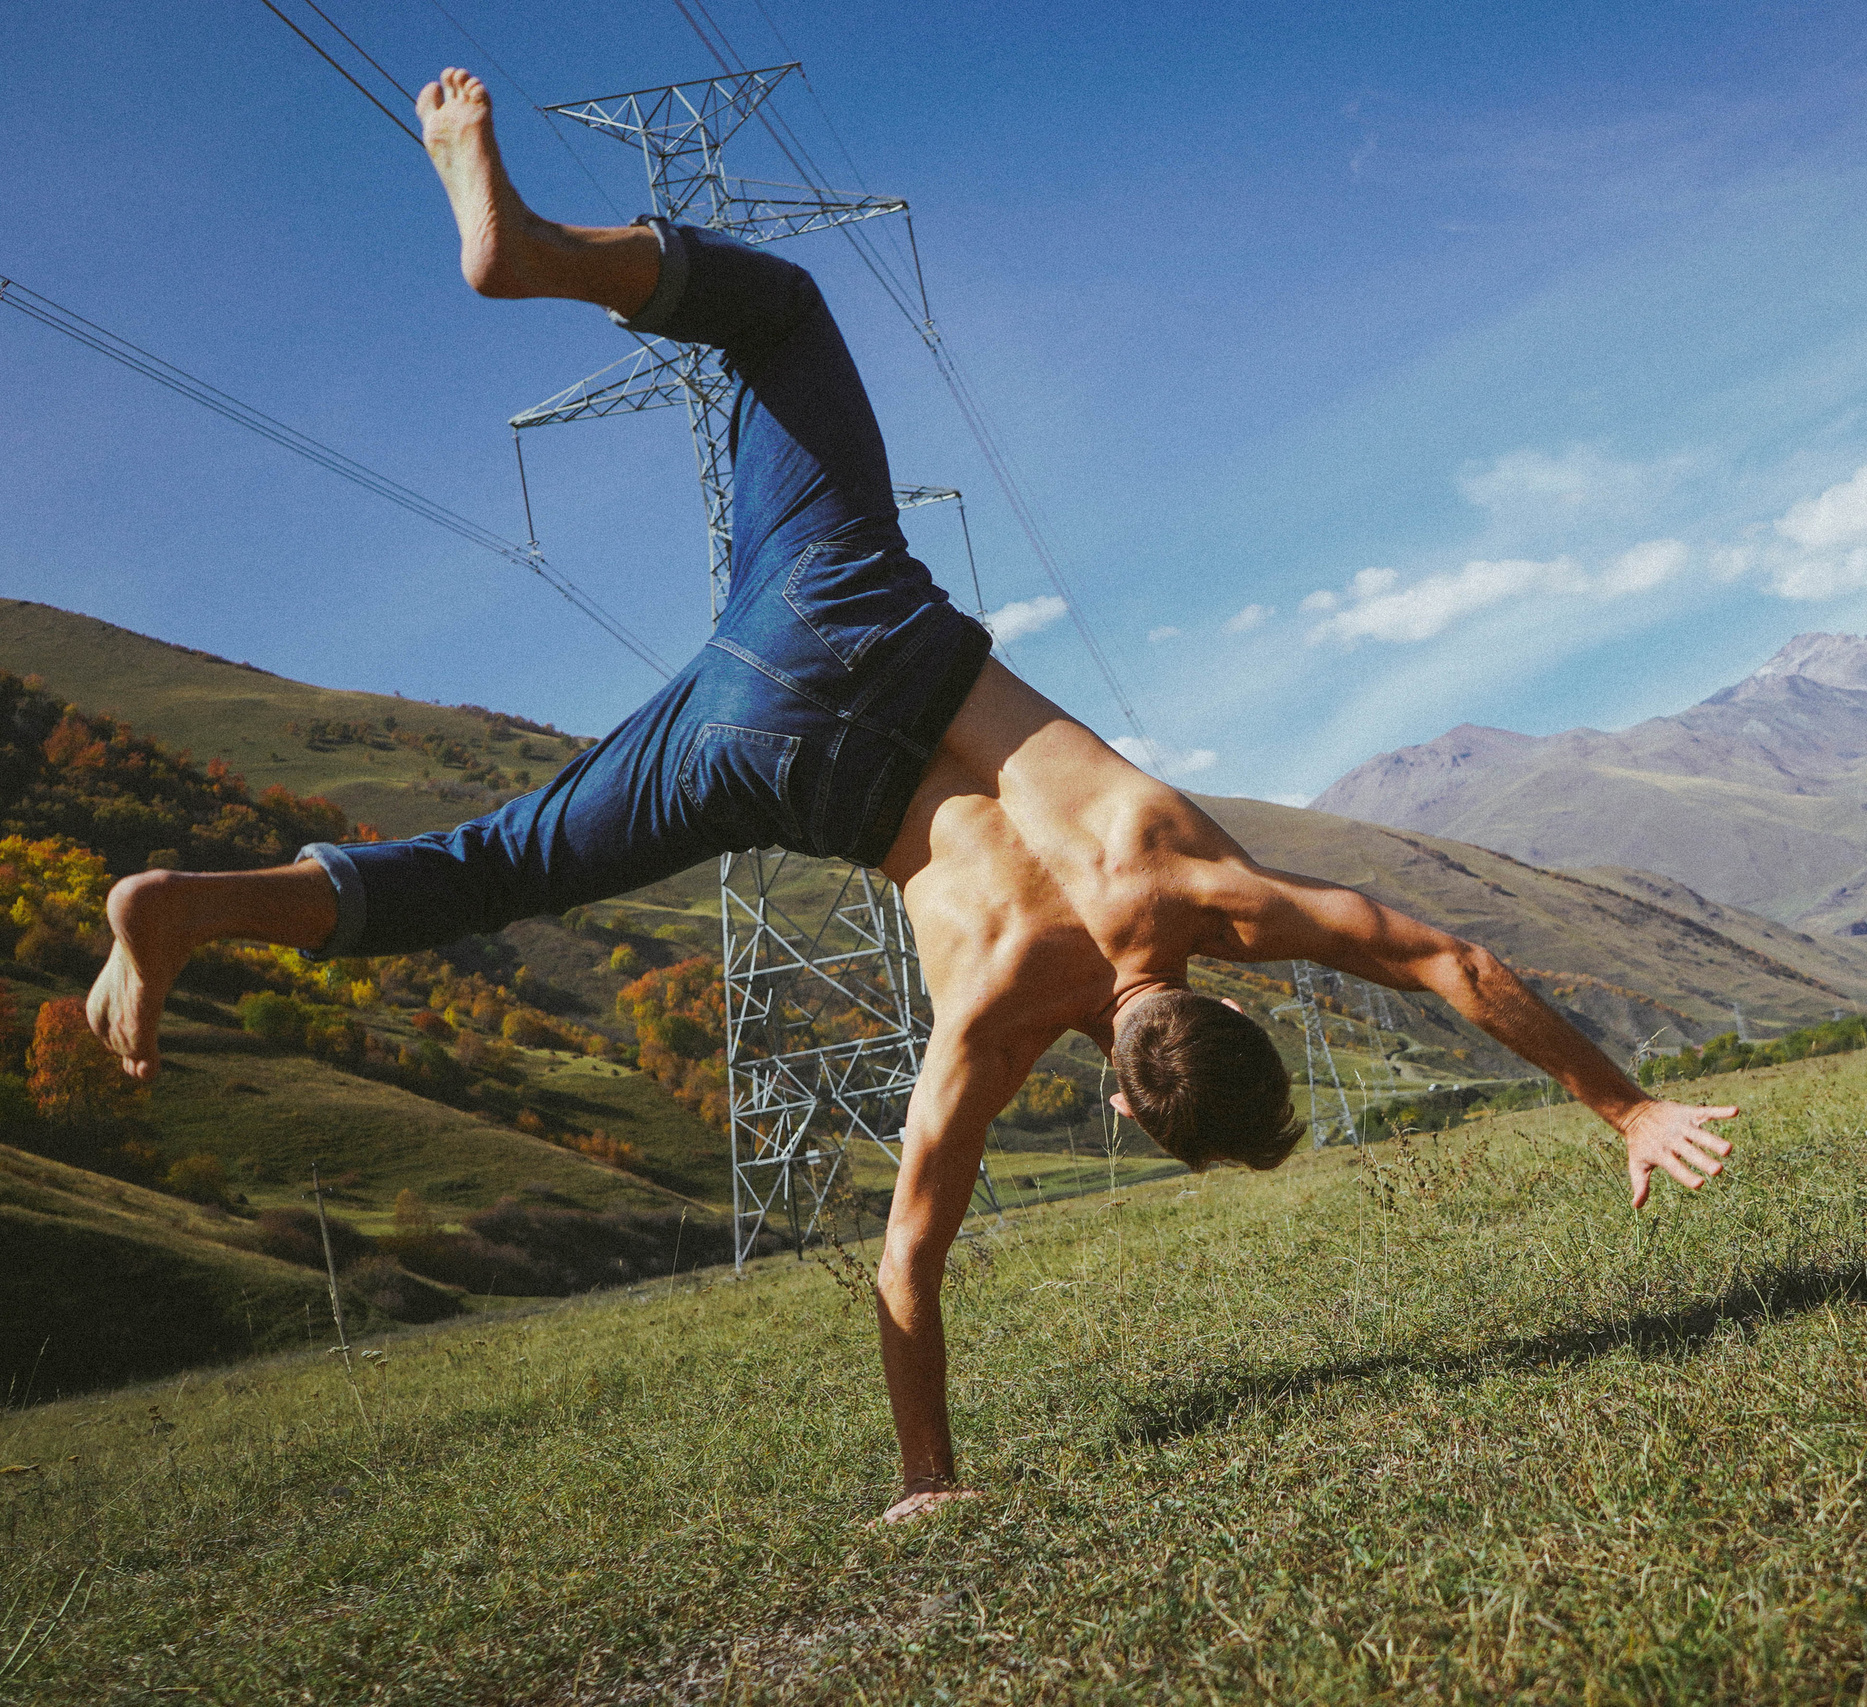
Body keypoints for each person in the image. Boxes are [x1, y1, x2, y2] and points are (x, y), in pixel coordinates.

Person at [85, 70, 1740, 1523]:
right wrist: (927, 1477)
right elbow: (906, 1266)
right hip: (763, 757)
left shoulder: (1199, 890)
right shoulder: (997, 1024)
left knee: (782, 315)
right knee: (500, 864)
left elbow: (1449, 959)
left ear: (1246, 1002)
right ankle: (196, 910)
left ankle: (540, 255)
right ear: (1122, 1107)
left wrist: (1626, 1105)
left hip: (852, 619)